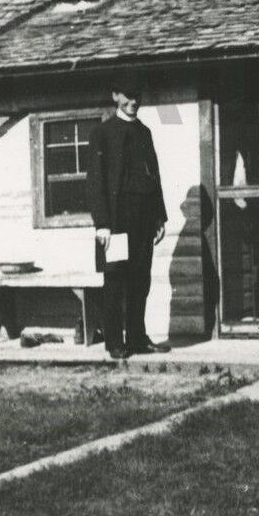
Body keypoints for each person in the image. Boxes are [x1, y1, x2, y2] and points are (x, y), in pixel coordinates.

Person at [87, 85, 170, 360]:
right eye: (128, 96)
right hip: (116, 221)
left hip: (143, 220)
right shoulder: (102, 134)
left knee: (140, 280)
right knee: (115, 281)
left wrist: (159, 216)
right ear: (115, 96)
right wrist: (102, 223)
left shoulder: (144, 133)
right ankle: (114, 342)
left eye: (138, 97)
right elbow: (96, 181)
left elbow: (154, 175)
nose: (133, 102)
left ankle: (136, 337)